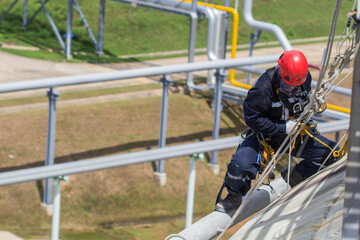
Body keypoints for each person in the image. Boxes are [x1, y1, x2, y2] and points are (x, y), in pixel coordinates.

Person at [215, 50, 339, 213]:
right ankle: (234, 195)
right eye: (288, 87)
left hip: (294, 134)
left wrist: (310, 108)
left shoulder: (303, 78)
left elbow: (303, 99)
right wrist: (281, 127)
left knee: (331, 154)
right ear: (281, 73)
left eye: (296, 88)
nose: (292, 91)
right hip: (265, 137)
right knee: (241, 165)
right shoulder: (262, 89)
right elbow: (252, 118)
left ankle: (297, 175)